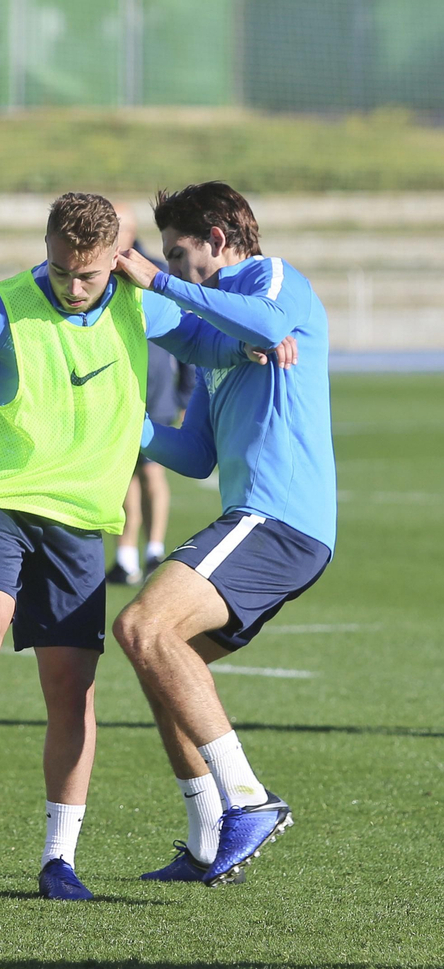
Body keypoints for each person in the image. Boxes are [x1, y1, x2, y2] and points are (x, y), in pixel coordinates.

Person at [0, 192, 259, 902]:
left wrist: (257, 340)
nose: (73, 285)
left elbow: (209, 340)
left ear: (117, 259)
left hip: (83, 519)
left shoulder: (140, 302)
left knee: (70, 687)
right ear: (48, 249)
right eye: (61, 269)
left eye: (88, 274)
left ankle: (60, 858)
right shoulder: (5, 306)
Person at [113, 181, 331, 886]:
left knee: (144, 625)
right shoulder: (221, 345)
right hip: (261, 520)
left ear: (217, 236)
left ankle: (248, 799)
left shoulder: (265, 277)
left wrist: (154, 279)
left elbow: (265, 324)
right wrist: (129, 428)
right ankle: (209, 836)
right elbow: (197, 455)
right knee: (164, 662)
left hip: (276, 517)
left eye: (181, 253)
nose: (175, 266)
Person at [108, 202, 195, 585]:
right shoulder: (98, 271)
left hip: (154, 383)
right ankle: (126, 557)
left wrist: (185, 391)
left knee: (151, 470)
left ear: (129, 232)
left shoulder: (150, 271)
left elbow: (189, 326)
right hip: (116, 384)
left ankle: (154, 550)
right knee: (123, 472)